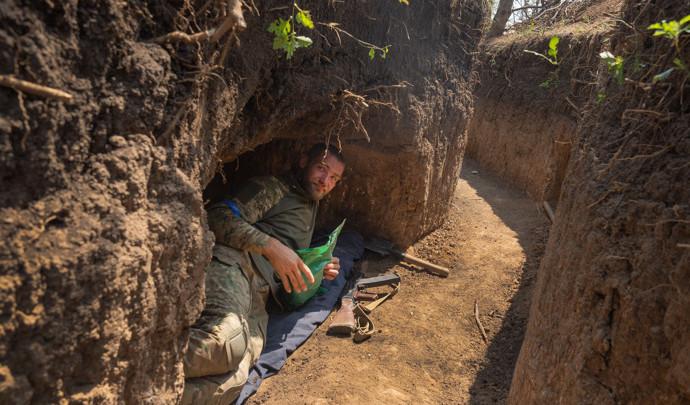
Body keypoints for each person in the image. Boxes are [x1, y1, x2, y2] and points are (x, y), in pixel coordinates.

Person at [181, 143, 346, 404]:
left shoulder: (311, 204)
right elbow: (216, 215)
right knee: (225, 343)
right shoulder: (274, 189)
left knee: (234, 382)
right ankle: (130, 367)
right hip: (235, 265)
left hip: (260, 294)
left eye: (334, 178)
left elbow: (290, 258)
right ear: (303, 161)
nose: (325, 181)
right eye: (321, 168)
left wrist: (317, 268)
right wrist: (270, 247)